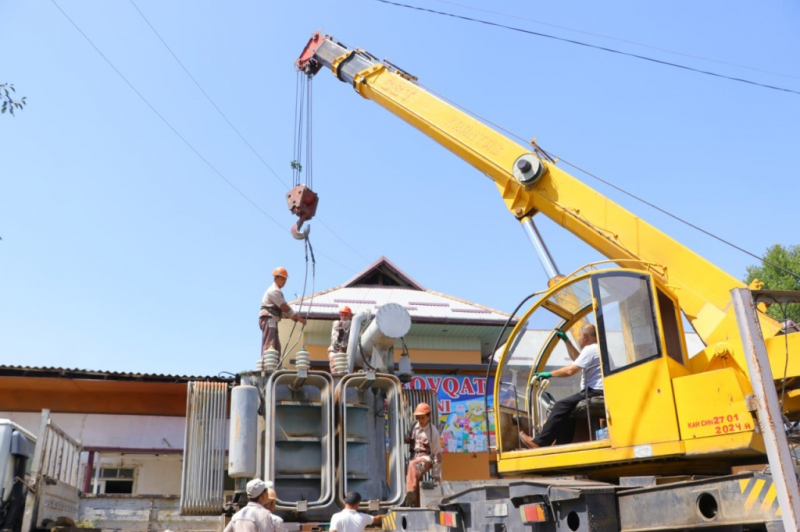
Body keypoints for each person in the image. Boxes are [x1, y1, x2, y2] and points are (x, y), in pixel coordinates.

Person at [519, 324, 603, 448]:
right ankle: (560, 445)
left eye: (579, 337)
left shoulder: (591, 349)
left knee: (560, 405)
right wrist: (566, 341)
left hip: (594, 391)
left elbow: (571, 370)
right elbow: (577, 359)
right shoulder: (597, 348)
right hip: (597, 390)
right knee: (568, 413)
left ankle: (539, 442)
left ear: (585, 337)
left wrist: (549, 374)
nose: (578, 340)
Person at [259, 267, 306, 356]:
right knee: (270, 345)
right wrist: (297, 317)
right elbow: (284, 307)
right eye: (282, 279)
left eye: (285, 279)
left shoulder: (277, 291)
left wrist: (292, 317)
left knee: (276, 347)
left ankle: (275, 366)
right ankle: (266, 367)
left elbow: (282, 310)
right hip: (268, 318)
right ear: (276, 278)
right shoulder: (273, 291)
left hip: (272, 319)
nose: (284, 281)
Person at [404, 402, 442, 508]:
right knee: (414, 477)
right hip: (414, 457)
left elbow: (437, 454)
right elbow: (407, 438)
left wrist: (436, 474)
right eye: (418, 418)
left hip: (426, 459)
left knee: (412, 465)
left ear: (428, 416)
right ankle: (416, 505)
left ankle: (409, 493)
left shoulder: (433, 431)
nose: (420, 420)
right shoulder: (412, 426)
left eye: (423, 418)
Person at [327, 306, 353, 371]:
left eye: (346, 315)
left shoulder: (352, 328)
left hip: (345, 353)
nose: (343, 317)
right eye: (342, 315)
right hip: (334, 350)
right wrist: (355, 321)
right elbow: (345, 324)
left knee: (345, 370)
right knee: (334, 367)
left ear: (350, 316)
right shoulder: (336, 323)